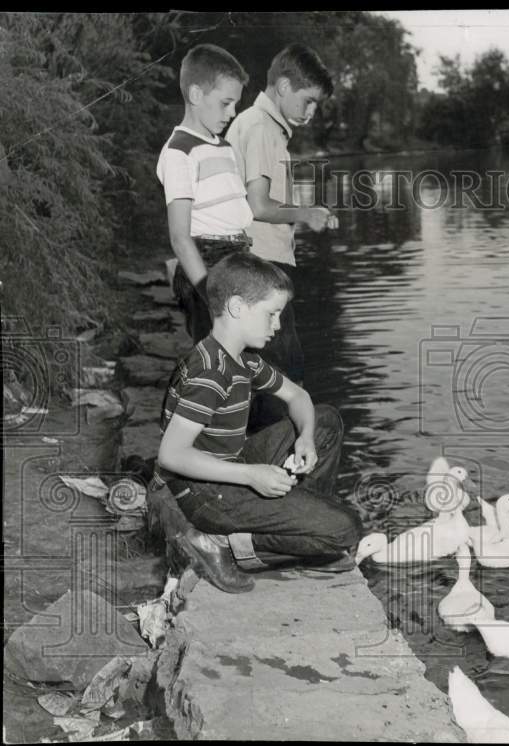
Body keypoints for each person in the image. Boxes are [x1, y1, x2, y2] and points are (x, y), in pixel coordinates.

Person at [153, 252, 363, 593]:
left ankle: (295, 521)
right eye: (271, 314)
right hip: (203, 492)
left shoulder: (242, 360)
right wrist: (252, 475)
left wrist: (305, 439)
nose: (278, 325)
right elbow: (172, 455)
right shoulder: (210, 373)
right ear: (237, 307)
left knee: (326, 420)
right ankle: (215, 544)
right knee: (345, 530)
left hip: (228, 466)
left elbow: (299, 398)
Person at [225, 43, 337, 431]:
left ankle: (257, 457)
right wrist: (307, 214)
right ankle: (269, 463)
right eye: (308, 101)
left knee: (271, 371)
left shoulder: (260, 127)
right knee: (281, 373)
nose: (311, 112)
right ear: (284, 86)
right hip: (260, 266)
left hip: (258, 265)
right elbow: (258, 205)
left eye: (316, 106)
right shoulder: (260, 128)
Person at [155, 44, 255, 345]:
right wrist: (209, 293)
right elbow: (180, 238)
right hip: (206, 266)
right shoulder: (179, 152)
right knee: (218, 363)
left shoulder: (222, 147)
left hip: (238, 260)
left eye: (236, 104)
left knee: (247, 362)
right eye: (226, 103)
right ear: (196, 95)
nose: (233, 112)